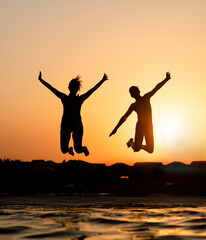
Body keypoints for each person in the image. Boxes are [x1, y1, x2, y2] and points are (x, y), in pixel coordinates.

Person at [38, 72, 108, 156]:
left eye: (75, 87)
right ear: (68, 87)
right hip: (66, 124)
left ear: (77, 89)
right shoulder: (64, 98)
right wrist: (41, 80)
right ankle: (69, 149)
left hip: (77, 124)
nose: (73, 88)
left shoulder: (80, 99)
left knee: (78, 149)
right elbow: (51, 88)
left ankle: (84, 148)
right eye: (72, 86)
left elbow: (92, 90)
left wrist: (102, 80)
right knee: (64, 150)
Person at [109, 72, 171, 153]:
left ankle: (131, 143)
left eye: (134, 91)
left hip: (149, 125)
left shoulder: (146, 97)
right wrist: (116, 128)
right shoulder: (133, 105)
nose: (133, 93)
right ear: (131, 95)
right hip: (140, 126)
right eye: (132, 93)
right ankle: (132, 143)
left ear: (138, 91)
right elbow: (124, 117)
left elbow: (156, 88)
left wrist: (166, 79)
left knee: (150, 150)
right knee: (136, 149)